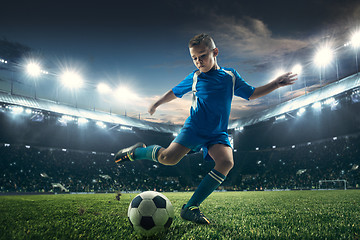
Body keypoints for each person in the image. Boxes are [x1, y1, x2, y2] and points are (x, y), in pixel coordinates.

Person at [114, 33, 297, 224]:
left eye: (202, 56)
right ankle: (136, 152)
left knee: (226, 162)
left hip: (217, 132)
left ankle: (191, 207)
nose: (198, 61)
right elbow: (175, 92)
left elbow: (251, 94)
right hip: (194, 128)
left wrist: (276, 83)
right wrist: (157, 103)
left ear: (215, 52)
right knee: (168, 158)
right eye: (194, 58)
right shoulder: (194, 77)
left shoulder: (230, 76)